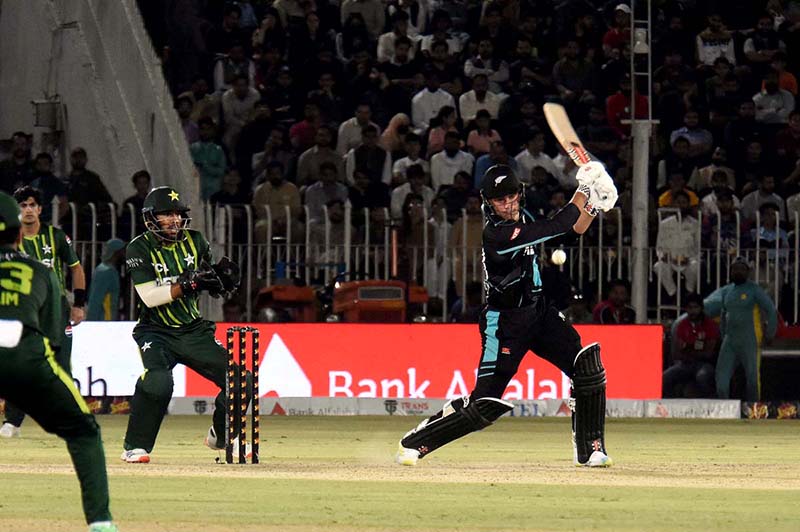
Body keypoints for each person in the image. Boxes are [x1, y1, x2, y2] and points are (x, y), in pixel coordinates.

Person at [395, 161, 618, 468]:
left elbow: (573, 230)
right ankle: (415, 443)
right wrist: (584, 190)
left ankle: (591, 449)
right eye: (500, 200)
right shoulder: (496, 234)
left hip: (539, 313)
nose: (507, 204)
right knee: (483, 405)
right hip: (504, 324)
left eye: (511, 196)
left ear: (520, 193)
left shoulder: (522, 218)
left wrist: (595, 204)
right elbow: (556, 225)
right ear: (489, 203)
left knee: (587, 368)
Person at [0, 192, 118, 531]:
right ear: (17, 233)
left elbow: (75, 268)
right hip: (26, 358)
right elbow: (52, 336)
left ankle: (13, 421)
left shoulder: (55, 238)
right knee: (83, 432)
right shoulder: (38, 270)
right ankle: (101, 523)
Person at [120, 187, 246, 463]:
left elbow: (210, 277)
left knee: (240, 382)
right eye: (167, 214)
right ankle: (135, 446)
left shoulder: (196, 240)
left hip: (193, 330)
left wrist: (222, 280)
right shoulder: (138, 247)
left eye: (178, 214)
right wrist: (188, 284)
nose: (175, 220)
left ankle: (222, 437)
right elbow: (150, 297)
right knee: (158, 382)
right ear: (151, 218)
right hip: (155, 331)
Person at [1, 186, 87, 438]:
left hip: (56, 308)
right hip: (22, 308)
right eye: (22, 205)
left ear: (40, 209)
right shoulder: (9, 238)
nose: (27, 210)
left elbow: (76, 269)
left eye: (32, 205)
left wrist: (79, 304)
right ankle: (12, 422)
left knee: (60, 364)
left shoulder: (56, 236)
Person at [704, 258, 777, 402]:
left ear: (748, 272)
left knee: (752, 377)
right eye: (735, 269)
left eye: (741, 269)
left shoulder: (754, 290)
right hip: (730, 341)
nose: (738, 271)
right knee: (721, 378)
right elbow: (724, 314)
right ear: (730, 272)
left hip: (750, 340)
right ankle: (724, 407)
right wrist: (723, 334)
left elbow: (771, 310)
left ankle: (754, 408)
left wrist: (770, 333)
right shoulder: (726, 291)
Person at [663, 294, 719, 398]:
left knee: (703, 376)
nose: (692, 311)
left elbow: (708, 353)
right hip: (685, 364)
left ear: (701, 308)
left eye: (695, 307)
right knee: (665, 377)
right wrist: (693, 352)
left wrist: (688, 350)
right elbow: (677, 353)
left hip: (704, 364)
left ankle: (711, 403)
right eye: (689, 308)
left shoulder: (710, 325)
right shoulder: (682, 325)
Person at [87, 239, 126, 321]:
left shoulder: (107, 269)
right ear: (116, 253)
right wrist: (91, 322)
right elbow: (95, 299)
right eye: (123, 252)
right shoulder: (106, 272)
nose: (125, 255)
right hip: (104, 320)